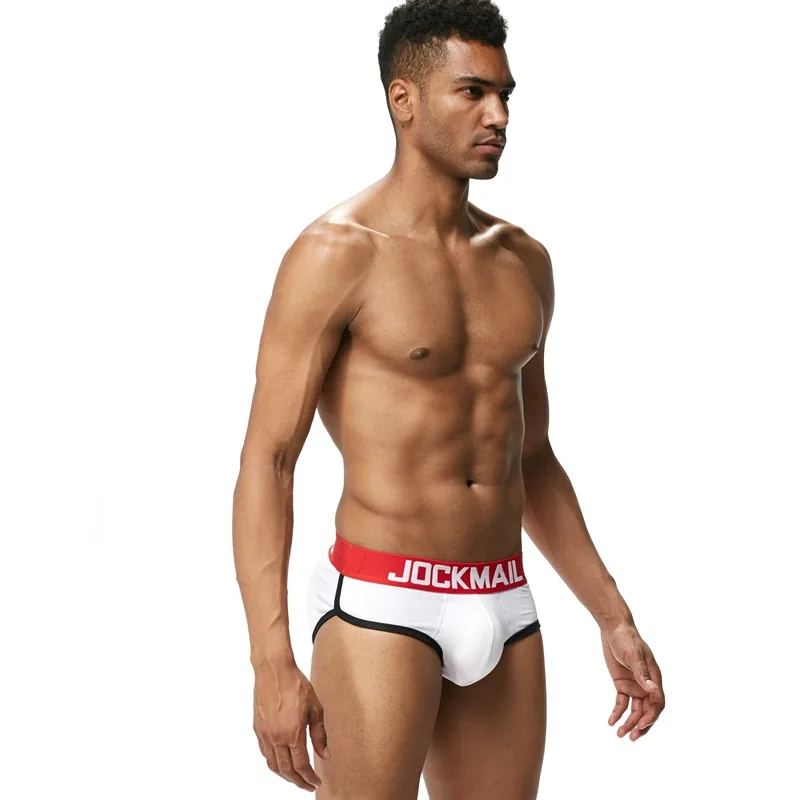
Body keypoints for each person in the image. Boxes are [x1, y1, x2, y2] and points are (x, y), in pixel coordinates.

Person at [232, 0, 665, 796]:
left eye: (504, 95)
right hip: (382, 604)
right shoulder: (334, 255)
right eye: (473, 92)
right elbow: (269, 460)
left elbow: (531, 456)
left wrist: (613, 614)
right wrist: (271, 662)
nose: (499, 116)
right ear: (403, 100)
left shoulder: (523, 260)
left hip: (506, 602)